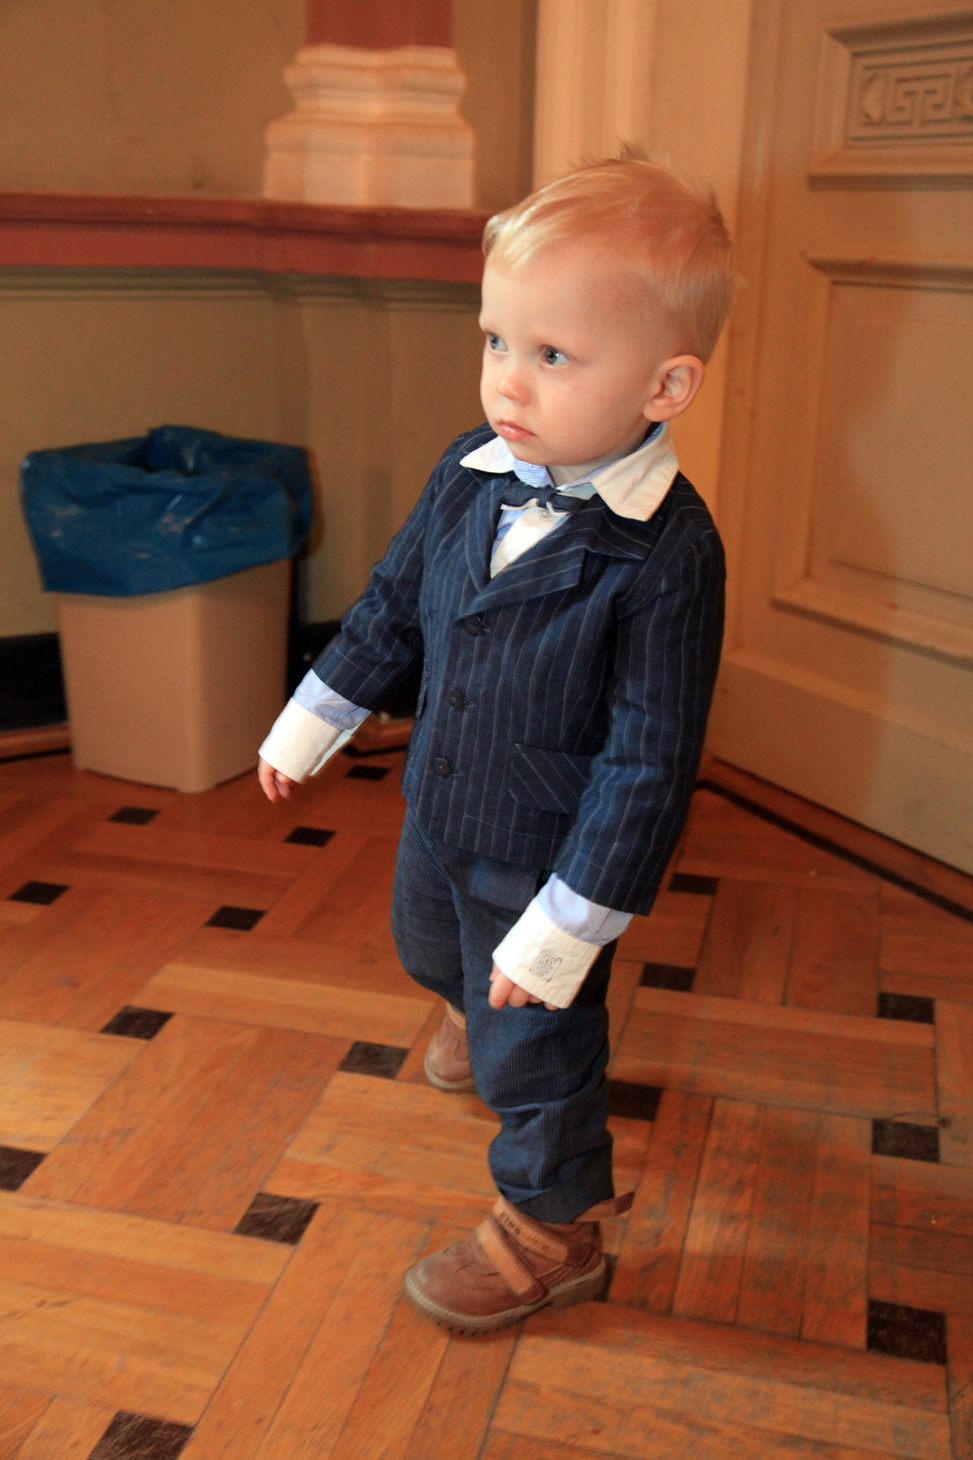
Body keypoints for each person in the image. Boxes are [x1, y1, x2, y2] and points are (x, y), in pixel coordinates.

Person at [257, 151, 733, 1334]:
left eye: (552, 354)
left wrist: (569, 924)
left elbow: (649, 757)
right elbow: (390, 604)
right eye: (495, 340)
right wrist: (316, 716)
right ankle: (470, 1001)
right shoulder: (468, 474)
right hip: (440, 804)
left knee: (541, 1044)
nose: (506, 380)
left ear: (666, 384)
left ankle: (551, 1223)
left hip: (547, 852)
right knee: (427, 944)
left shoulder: (671, 554)